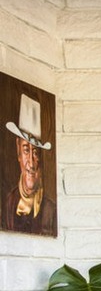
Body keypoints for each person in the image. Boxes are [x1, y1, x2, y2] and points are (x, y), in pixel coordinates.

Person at [3, 92, 55, 236]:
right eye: (26, 150)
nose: (31, 163)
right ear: (18, 151)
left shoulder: (50, 209)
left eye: (36, 152)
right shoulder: (9, 202)